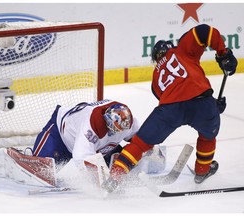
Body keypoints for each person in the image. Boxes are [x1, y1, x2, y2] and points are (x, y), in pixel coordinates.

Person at [102, 24, 238, 193]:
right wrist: (223, 53)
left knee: (139, 143)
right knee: (208, 136)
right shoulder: (181, 49)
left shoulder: (155, 80)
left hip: (170, 109)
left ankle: (115, 176)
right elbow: (205, 31)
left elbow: (176, 98)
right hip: (202, 101)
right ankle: (202, 172)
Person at [32, 99, 140, 167]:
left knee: (129, 159)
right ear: (108, 121)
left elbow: (141, 141)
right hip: (60, 136)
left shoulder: (126, 122)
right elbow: (80, 157)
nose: (118, 132)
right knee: (39, 168)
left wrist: (152, 152)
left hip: (98, 148)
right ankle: (31, 155)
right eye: (114, 128)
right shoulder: (90, 126)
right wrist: (99, 184)